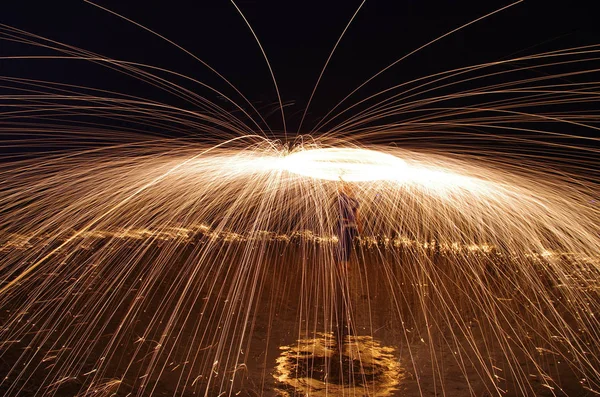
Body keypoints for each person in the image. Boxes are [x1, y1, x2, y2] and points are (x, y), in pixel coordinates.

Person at [334, 180, 361, 347]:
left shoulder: (351, 200)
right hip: (345, 227)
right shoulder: (343, 198)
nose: (350, 187)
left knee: (345, 250)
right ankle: (342, 269)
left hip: (348, 228)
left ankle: (343, 269)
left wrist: (359, 224)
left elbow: (358, 214)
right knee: (343, 250)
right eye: (348, 185)